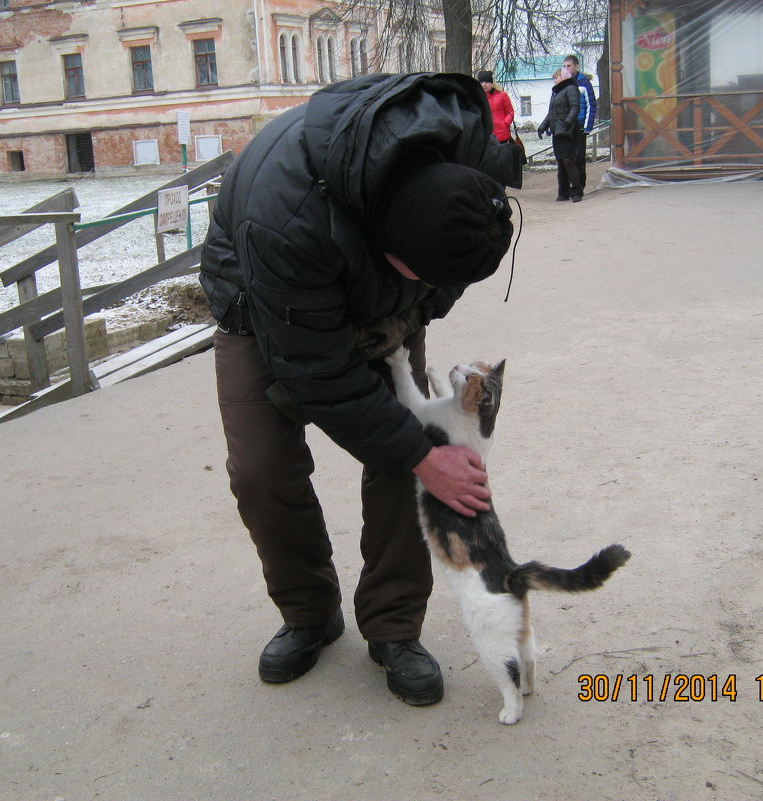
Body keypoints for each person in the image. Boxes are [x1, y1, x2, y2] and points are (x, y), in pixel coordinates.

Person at [200, 72, 522, 708]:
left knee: (403, 467)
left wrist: (423, 301)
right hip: (263, 299)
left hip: (376, 291)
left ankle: (394, 627)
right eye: (429, 277)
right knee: (263, 472)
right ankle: (309, 612)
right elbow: (316, 371)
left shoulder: (460, 168)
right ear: (392, 248)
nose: (439, 288)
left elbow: (444, 272)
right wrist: (425, 455)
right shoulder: (285, 218)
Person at [537, 66, 582, 202]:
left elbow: (575, 107)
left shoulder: (571, 88)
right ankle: (563, 191)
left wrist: (568, 122)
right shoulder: (556, 92)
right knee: (561, 162)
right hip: (557, 132)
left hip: (568, 131)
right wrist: (543, 126)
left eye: (556, 77)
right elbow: (551, 112)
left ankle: (576, 190)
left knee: (568, 161)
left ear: (563, 77)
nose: (554, 81)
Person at [562, 54, 598, 197]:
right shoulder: (563, 83)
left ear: (576, 66)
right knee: (567, 158)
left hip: (580, 126)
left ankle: (580, 186)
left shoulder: (583, 83)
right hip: (567, 127)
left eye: (569, 66)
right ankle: (570, 186)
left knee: (580, 159)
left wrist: (587, 127)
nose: (566, 69)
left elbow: (591, 105)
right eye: (564, 66)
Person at [477, 70, 515, 144]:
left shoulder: (502, 95)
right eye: (481, 82)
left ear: (492, 83)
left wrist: (505, 123)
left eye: (486, 82)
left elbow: (510, 112)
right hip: (485, 136)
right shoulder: (477, 97)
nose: (483, 85)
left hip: (502, 134)